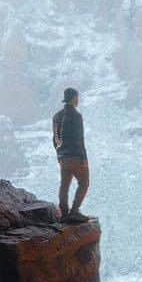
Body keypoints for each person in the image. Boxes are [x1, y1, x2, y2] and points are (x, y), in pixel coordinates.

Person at [52, 87, 90, 223]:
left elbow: (55, 139)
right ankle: (74, 211)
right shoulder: (76, 116)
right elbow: (79, 139)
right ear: (74, 98)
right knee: (84, 183)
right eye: (77, 97)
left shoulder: (56, 116)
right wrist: (84, 159)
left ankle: (64, 214)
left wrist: (59, 156)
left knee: (64, 185)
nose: (78, 100)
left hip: (63, 157)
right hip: (75, 156)